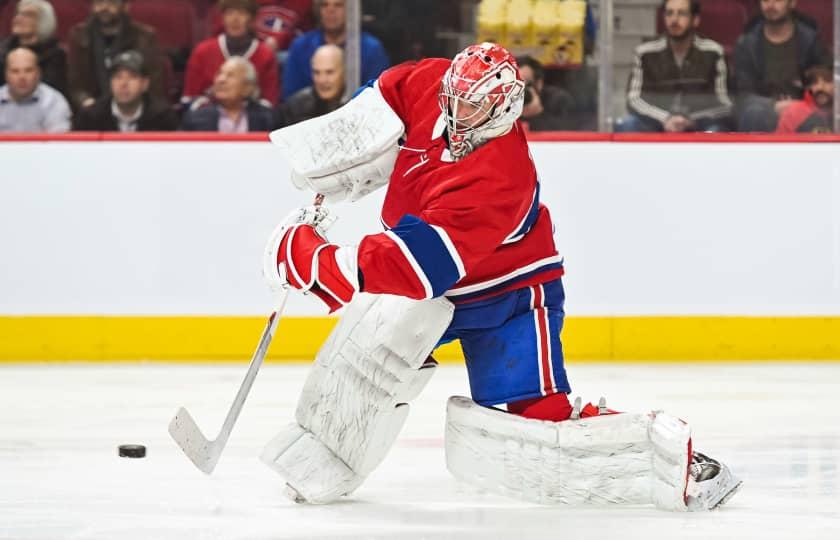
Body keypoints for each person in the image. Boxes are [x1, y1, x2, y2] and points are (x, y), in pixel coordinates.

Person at [259, 42, 742, 511]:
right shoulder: (434, 83)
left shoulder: (499, 175)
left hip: (507, 296)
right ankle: (322, 463)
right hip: (433, 282)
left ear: (502, 111)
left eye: (471, 108)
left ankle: (670, 461)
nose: (454, 114)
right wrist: (329, 163)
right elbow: (382, 99)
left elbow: (417, 268)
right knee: (361, 362)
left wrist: (314, 259)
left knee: (538, 420)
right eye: (454, 98)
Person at [617, 0, 732, 132]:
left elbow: (725, 103)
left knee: (717, 130)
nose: (674, 19)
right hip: (656, 122)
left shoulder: (713, 52)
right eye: (669, 13)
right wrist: (665, 118)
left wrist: (691, 120)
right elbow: (633, 99)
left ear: (695, 20)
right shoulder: (645, 52)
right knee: (629, 125)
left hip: (699, 124)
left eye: (681, 14)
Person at [734, 0, 831, 132]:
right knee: (753, 112)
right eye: (766, 0)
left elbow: (823, 83)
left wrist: (797, 106)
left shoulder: (810, 41)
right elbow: (743, 93)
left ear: (792, 3)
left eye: (778, 0)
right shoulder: (747, 44)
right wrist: (772, 106)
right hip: (761, 112)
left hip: (803, 110)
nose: (771, 5)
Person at [68, 0, 166, 111]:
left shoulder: (145, 37)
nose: (104, 8)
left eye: (111, 2)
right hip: (92, 109)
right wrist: (87, 102)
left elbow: (154, 84)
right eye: (98, 2)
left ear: (126, 6)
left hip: (136, 108)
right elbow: (75, 84)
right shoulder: (79, 36)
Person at [282, 0, 389, 100]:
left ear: (352, 11)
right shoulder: (300, 46)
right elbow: (291, 97)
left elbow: (376, 98)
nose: (330, 11)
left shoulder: (372, 49)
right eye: (325, 5)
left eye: (338, 5)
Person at [183, 0, 280, 106]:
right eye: (229, 13)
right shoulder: (202, 51)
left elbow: (270, 103)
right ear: (222, 18)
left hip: (251, 119)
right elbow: (189, 99)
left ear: (252, 19)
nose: (235, 19)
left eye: (242, 13)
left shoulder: (265, 54)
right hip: (209, 117)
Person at [73, 50, 177, 132]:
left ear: (145, 84)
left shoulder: (163, 117)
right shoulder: (90, 117)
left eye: (132, 77)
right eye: (118, 77)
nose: (123, 84)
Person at [181, 56, 273, 132]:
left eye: (230, 75)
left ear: (247, 87)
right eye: (219, 74)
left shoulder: (267, 118)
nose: (221, 79)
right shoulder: (195, 118)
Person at [0, 0, 68, 98]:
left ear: (44, 22)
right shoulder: (3, 50)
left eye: (27, 15)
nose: (18, 18)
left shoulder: (55, 55)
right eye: (17, 13)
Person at [0, 47, 71, 133]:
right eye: (15, 71)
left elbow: (58, 143)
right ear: (6, 74)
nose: (22, 77)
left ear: (38, 73)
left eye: (28, 70)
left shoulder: (54, 101)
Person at [274, 44, 346, 127]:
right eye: (316, 72)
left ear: (344, 72)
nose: (322, 80)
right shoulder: (294, 108)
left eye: (329, 72)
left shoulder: (357, 105)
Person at [516, 55, 574, 131]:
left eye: (526, 84)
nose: (520, 91)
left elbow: (566, 135)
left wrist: (538, 113)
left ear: (539, 83)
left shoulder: (558, 100)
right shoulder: (503, 102)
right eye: (515, 85)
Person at [776, 65, 833, 133]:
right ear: (808, 88)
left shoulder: (836, 112)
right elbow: (782, 141)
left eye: (827, 82)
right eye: (814, 83)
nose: (820, 87)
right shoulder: (794, 112)